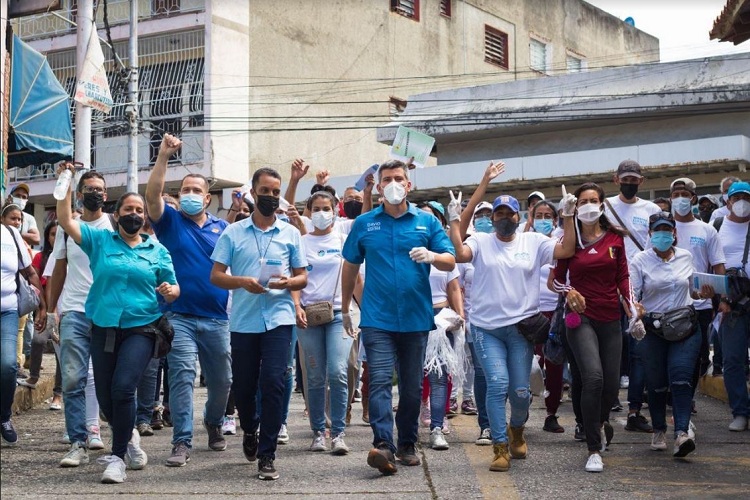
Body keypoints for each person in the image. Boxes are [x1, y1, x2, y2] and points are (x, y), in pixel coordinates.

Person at [449, 162, 576, 473]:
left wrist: (569, 217)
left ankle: (517, 428)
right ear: (492, 219)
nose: (505, 219)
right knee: (497, 383)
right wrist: (458, 216)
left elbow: (567, 249)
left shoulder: (533, 242)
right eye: (499, 214)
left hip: (521, 328)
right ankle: (500, 447)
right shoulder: (480, 241)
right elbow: (459, 252)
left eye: (510, 214)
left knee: (520, 391)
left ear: (521, 218)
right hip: (486, 328)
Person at [56, 164, 180, 484]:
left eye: (139, 210)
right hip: (104, 326)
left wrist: (170, 290)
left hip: (142, 326)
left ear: (145, 216)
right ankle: (129, 439)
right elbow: (67, 219)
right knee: (108, 398)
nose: (134, 214)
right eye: (128, 208)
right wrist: (67, 181)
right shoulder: (100, 241)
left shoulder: (156, 250)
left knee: (124, 387)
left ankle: (118, 456)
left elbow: (173, 285)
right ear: (118, 212)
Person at [340, 159, 456, 476]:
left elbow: (450, 260)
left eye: (399, 178)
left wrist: (432, 255)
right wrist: (344, 307)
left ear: (409, 184)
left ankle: (406, 442)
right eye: (387, 179)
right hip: (377, 319)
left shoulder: (426, 222)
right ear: (378, 187)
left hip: (417, 319)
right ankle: (384, 446)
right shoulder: (364, 224)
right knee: (378, 381)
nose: (393, 183)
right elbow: (349, 266)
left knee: (410, 388)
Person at [210, 167, 308, 481]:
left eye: (275, 192)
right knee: (245, 385)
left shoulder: (291, 232)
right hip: (244, 320)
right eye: (264, 191)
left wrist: (289, 283)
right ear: (253, 193)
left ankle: (267, 454)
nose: (270, 197)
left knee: (275, 382)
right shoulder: (233, 233)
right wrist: (241, 281)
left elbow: (303, 276)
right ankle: (249, 428)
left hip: (279, 318)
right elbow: (216, 275)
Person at [145, 133, 233, 467]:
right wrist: (164, 156)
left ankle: (213, 422)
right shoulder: (169, 221)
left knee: (223, 380)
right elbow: (152, 194)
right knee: (181, 375)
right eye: (186, 190)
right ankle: (182, 441)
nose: (191, 194)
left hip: (217, 318)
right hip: (178, 316)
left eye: (197, 190)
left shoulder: (223, 229)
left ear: (207, 198)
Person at [553, 182, 640, 473]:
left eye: (594, 200)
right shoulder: (569, 239)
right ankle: (593, 448)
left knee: (611, 386)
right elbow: (554, 279)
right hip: (580, 318)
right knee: (593, 377)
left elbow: (623, 276)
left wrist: (632, 307)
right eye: (583, 201)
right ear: (575, 206)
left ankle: (600, 423)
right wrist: (568, 292)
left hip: (610, 318)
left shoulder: (615, 238)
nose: (589, 205)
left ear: (602, 204)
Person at [48, 170, 115, 467]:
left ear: (106, 195)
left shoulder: (115, 226)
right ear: (79, 193)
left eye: (99, 189)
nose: (95, 193)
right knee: (74, 378)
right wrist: (52, 310)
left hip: (108, 312)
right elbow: (59, 270)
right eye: (88, 188)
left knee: (107, 379)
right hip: (75, 310)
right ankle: (77, 441)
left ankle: (119, 436)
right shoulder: (68, 228)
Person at [631, 212, 703, 458]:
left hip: (684, 326)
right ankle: (659, 429)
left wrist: (702, 292)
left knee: (682, 378)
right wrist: (636, 310)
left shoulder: (686, 256)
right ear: (650, 233)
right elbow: (632, 295)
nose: (663, 235)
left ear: (674, 233)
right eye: (657, 230)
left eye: (667, 230)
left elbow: (692, 291)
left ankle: (682, 433)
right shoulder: (639, 260)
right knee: (656, 383)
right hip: (654, 328)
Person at [293, 191, 358, 455]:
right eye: (316, 208)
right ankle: (319, 431)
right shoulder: (299, 242)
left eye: (326, 208)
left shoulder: (345, 240)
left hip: (339, 314)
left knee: (339, 371)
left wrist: (362, 311)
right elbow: (294, 276)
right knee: (315, 376)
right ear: (309, 211)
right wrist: (297, 306)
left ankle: (339, 432)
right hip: (307, 315)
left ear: (335, 210)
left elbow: (356, 280)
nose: (322, 213)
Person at [603, 160, 660, 432]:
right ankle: (607, 402)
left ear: (642, 181)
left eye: (634, 179)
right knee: (609, 351)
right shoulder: (605, 207)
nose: (629, 183)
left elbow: (656, 249)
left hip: (640, 292)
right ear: (616, 179)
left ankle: (635, 411)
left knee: (639, 352)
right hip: (608, 289)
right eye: (625, 178)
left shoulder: (651, 210)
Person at [669, 178, 726, 401]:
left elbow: (719, 265)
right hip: (667, 303)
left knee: (695, 356)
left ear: (693, 197)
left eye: (685, 194)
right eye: (675, 194)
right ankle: (670, 396)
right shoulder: (662, 228)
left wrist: (721, 297)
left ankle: (686, 398)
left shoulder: (707, 230)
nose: (680, 198)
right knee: (668, 355)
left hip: (699, 305)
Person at [417, 200, 464, 450]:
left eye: (431, 218)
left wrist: (460, 315)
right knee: (412, 376)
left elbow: (454, 286)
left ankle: (437, 424)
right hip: (413, 317)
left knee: (439, 375)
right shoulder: (407, 247)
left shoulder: (444, 252)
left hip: (441, 319)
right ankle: (410, 427)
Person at [1, 207, 46, 446]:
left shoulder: (10, 234)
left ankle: (4, 416)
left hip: (6, 310)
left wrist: (42, 306)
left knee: (8, 365)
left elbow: (29, 272)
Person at [19, 222, 64, 413]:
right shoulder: (41, 257)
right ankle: (34, 376)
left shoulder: (69, 255)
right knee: (38, 341)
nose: (55, 238)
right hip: (48, 309)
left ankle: (58, 394)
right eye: (52, 234)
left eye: (58, 234)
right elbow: (38, 285)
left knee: (62, 353)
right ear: (47, 237)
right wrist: (43, 309)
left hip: (68, 311)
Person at [716, 181, 750, 431]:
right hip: (731, 303)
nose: (741, 202)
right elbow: (709, 262)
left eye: (746, 197)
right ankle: (740, 411)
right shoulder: (717, 226)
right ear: (727, 201)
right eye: (736, 197)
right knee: (733, 359)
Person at [530, 200, 566, 433]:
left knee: (554, 364)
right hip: (529, 311)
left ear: (555, 220)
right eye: (538, 215)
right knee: (530, 365)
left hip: (555, 311)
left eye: (547, 215)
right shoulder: (525, 241)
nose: (543, 219)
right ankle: (522, 407)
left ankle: (551, 413)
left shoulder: (562, 243)